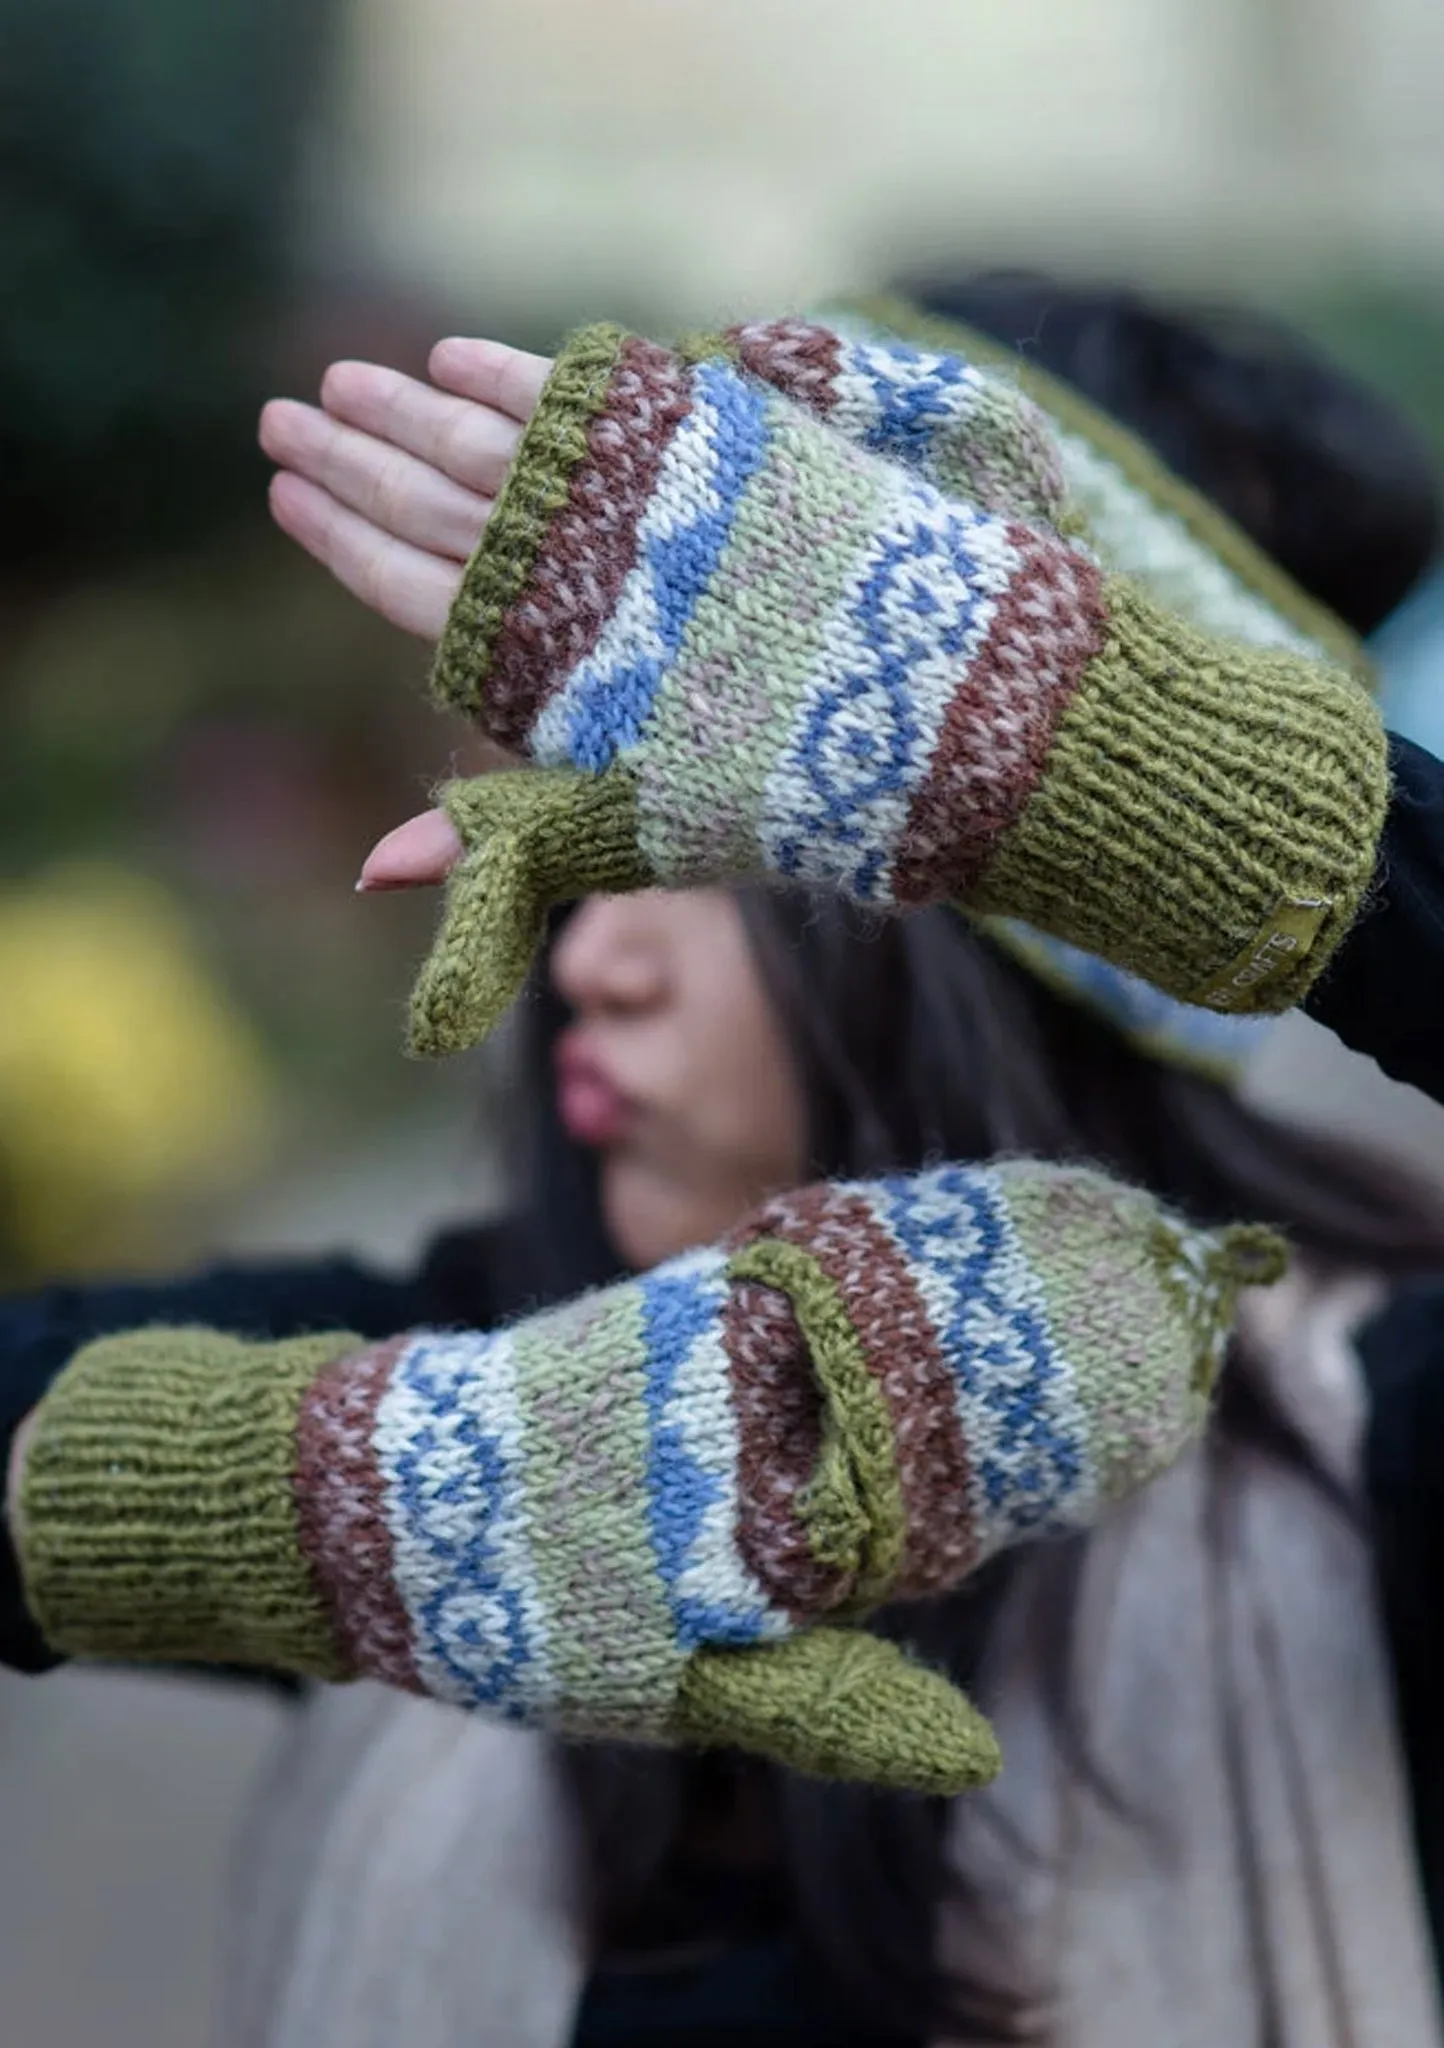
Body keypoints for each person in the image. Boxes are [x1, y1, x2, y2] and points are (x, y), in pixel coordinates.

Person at [3, 279, 1444, 2048]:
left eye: (723, 842)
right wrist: (346, 1512)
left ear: (1012, 884)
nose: (592, 958)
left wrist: (1183, 801)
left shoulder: (1378, 1449)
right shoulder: (492, 1390)